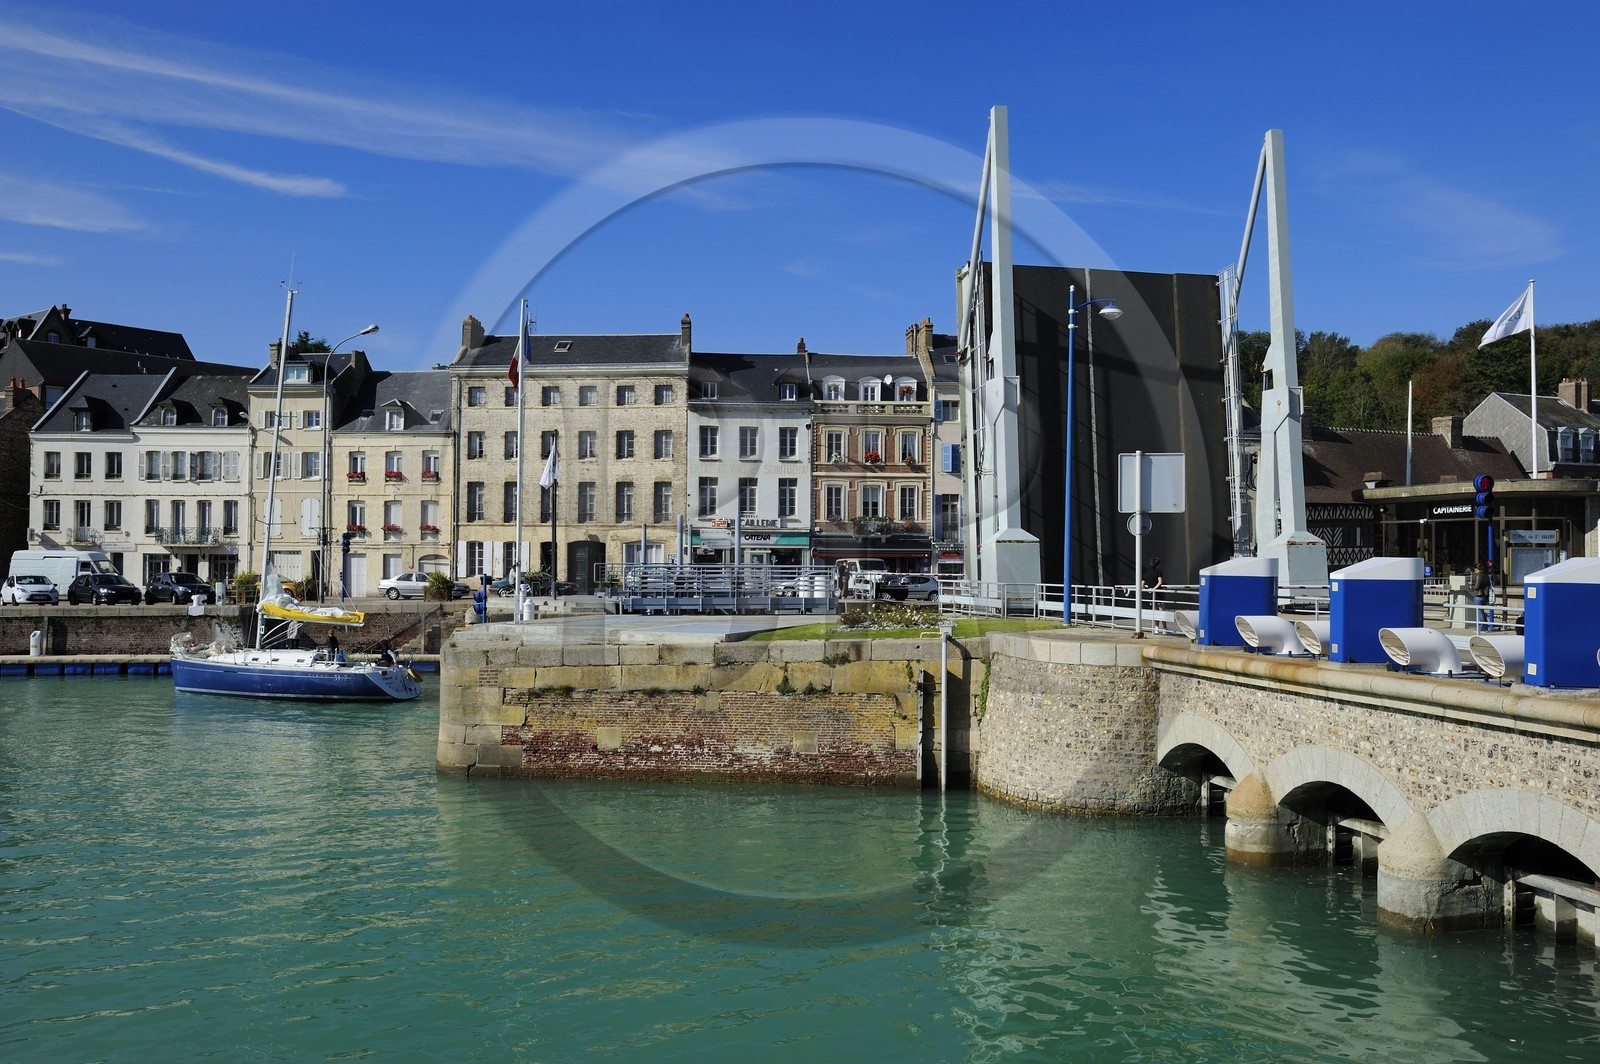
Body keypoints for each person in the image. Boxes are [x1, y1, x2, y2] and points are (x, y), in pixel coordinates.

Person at [1472, 563, 1494, 632]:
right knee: (1482, 612)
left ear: (1476, 569)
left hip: (1479, 595)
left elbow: (1477, 587)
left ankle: (1482, 628)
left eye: (1475, 570)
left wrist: (1471, 586)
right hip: (1485, 595)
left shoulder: (1479, 575)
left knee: (1480, 612)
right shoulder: (1486, 575)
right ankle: (1484, 627)